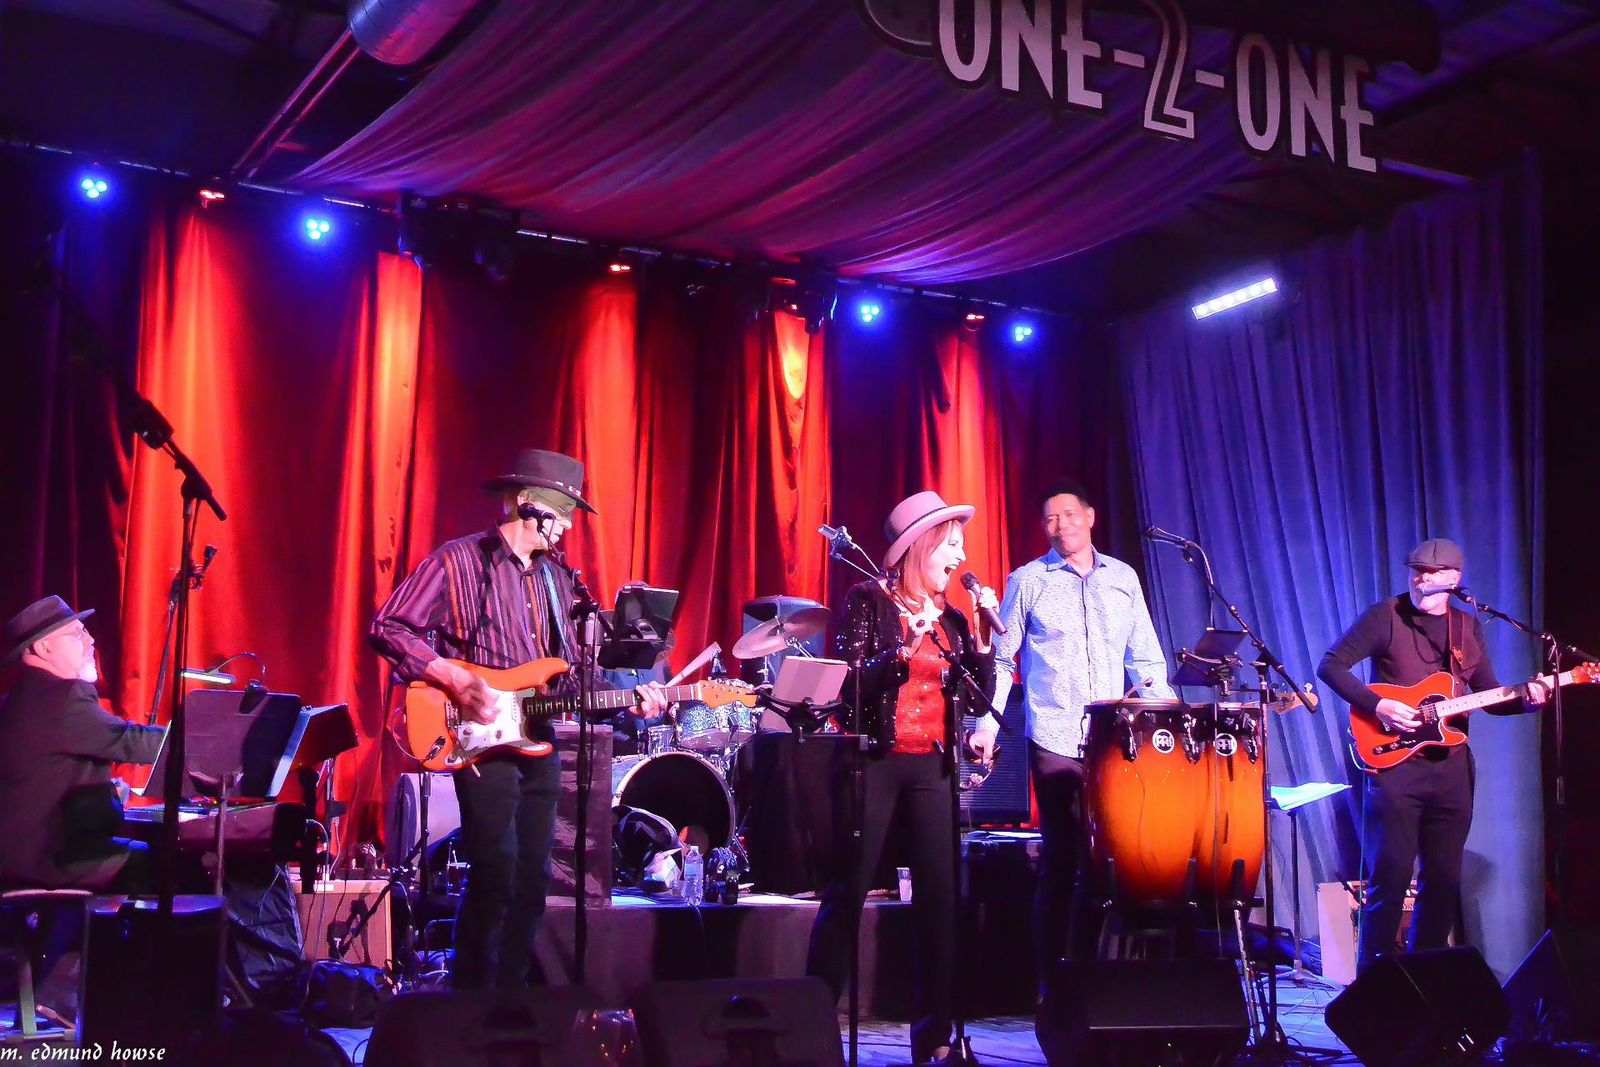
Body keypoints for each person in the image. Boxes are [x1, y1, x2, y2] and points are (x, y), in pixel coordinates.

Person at [370, 449, 667, 989]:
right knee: (497, 869)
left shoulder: (558, 581)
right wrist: (453, 677)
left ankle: (510, 1002)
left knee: (533, 878)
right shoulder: (459, 561)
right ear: (528, 504)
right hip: (475, 734)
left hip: (537, 734)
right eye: (563, 511)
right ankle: (471, 998)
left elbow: (571, 679)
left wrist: (628, 699)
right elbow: (389, 626)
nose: (570, 524)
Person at [805, 491, 998, 1064]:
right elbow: (849, 688)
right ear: (920, 547)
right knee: (849, 892)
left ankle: (935, 1039)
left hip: (932, 767)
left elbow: (975, 697)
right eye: (951, 544)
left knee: (940, 902)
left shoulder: (954, 619)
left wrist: (983, 641)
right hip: (874, 763)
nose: (961, 556)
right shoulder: (867, 601)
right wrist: (904, 649)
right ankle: (810, 1027)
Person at [1318, 537, 1547, 971]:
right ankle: (1374, 985)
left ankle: (1425, 981)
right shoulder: (1384, 616)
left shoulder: (1465, 627)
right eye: (1416, 571)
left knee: (1442, 882)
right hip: (1396, 768)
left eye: (1431, 572)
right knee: (1390, 879)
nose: (1420, 579)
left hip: (1452, 770)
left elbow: (1488, 694)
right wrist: (1378, 705)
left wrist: (1528, 699)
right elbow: (1330, 666)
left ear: (1455, 578)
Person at [969, 480, 1173, 965]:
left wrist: (1166, 720)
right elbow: (1003, 660)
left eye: (1068, 515)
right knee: (1064, 857)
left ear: (1090, 517)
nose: (1060, 526)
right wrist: (987, 725)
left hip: (1114, 740)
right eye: (1050, 519)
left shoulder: (1122, 577)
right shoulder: (1028, 580)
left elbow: (1146, 660)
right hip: (1055, 736)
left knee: (1112, 858)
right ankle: (1052, 978)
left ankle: (1094, 970)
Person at [0, 595, 166, 892]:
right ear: (44, 647)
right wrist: (202, 741)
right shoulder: (63, 696)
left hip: (16, 858)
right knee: (175, 862)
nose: (90, 640)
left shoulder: (17, 699)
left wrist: (108, 794)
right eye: (76, 634)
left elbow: (44, 782)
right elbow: (131, 741)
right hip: (51, 860)